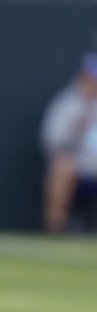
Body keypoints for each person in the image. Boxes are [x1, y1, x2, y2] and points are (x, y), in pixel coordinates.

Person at [40, 53, 97, 233]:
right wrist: (75, 130)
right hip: (78, 166)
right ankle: (55, 228)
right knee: (61, 166)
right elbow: (50, 141)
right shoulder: (66, 103)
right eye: (89, 78)